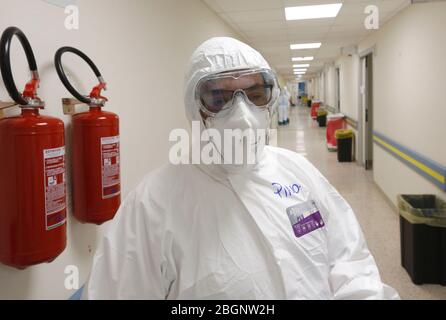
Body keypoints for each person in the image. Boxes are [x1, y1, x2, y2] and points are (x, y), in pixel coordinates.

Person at [83, 37, 399, 300]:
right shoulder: (152, 204)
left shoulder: (298, 171)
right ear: (195, 108)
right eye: (219, 98)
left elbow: (351, 264)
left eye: (254, 94)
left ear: (269, 99)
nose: (243, 114)